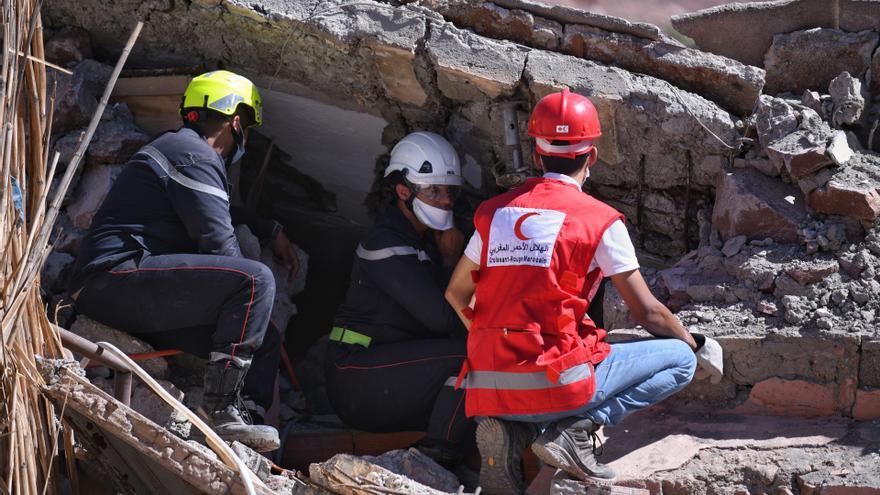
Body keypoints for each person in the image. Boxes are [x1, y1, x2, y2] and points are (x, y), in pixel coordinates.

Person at [444, 88, 723, 493]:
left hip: (488, 386)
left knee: (560, 370)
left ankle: (514, 432)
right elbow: (649, 314)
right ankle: (576, 430)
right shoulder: (600, 221)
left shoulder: (494, 214)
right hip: (553, 384)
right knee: (678, 359)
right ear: (591, 157)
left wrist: (491, 336)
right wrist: (696, 345)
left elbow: (456, 294)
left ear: (537, 155)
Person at [68, 70, 300, 452]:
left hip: (131, 290)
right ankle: (221, 409)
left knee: (265, 337)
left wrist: (268, 228)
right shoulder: (191, 153)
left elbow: (216, 213)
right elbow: (219, 244)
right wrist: (249, 299)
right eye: (247, 128)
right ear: (236, 121)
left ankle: (245, 422)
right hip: (111, 279)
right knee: (255, 282)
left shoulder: (182, 151)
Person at [324, 131, 474, 466]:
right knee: (472, 354)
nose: (446, 200)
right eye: (433, 191)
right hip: (355, 376)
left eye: (450, 191)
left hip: (387, 372)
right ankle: (435, 458)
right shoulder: (384, 243)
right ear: (403, 191)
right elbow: (442, 321)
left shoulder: (421, 242)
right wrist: (451, 262)